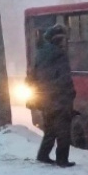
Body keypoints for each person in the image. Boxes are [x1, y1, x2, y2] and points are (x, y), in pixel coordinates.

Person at [33, 24, 76, 167]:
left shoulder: (40, 54)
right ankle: (62, 159)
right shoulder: (59, 55)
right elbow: (64, 79)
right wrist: (70, 94)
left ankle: (43, 155)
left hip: (45, 100)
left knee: (50, 129)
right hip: (59, 100)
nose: (64, 42)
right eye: (63, 39)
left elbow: (34, 77)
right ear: (58, 40)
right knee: (63, 132)